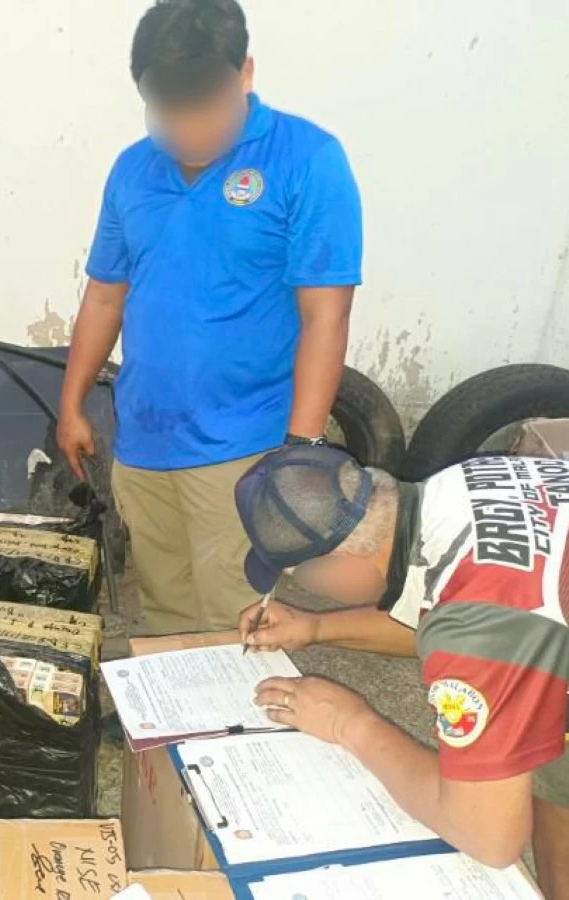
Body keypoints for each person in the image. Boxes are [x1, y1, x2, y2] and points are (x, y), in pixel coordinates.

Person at [57, 0, 363, 634]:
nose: (186, 129)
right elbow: (105, 295)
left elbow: (326, 317)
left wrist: (298, 453)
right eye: (168, 111)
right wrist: (71, 404)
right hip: (144, 440)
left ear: (244, 73)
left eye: (204, 108)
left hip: (244, 449)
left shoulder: (306, 160)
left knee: (236, 623)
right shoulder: (133, 169)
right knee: (165, 615)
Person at [234, 444, 569, 899]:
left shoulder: (485, 625)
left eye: (299, 579)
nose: (306, 590)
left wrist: (348, 722)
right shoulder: (458, 485)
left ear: (342, 564)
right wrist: (316, 627)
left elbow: (488, 835)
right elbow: (460, 616)